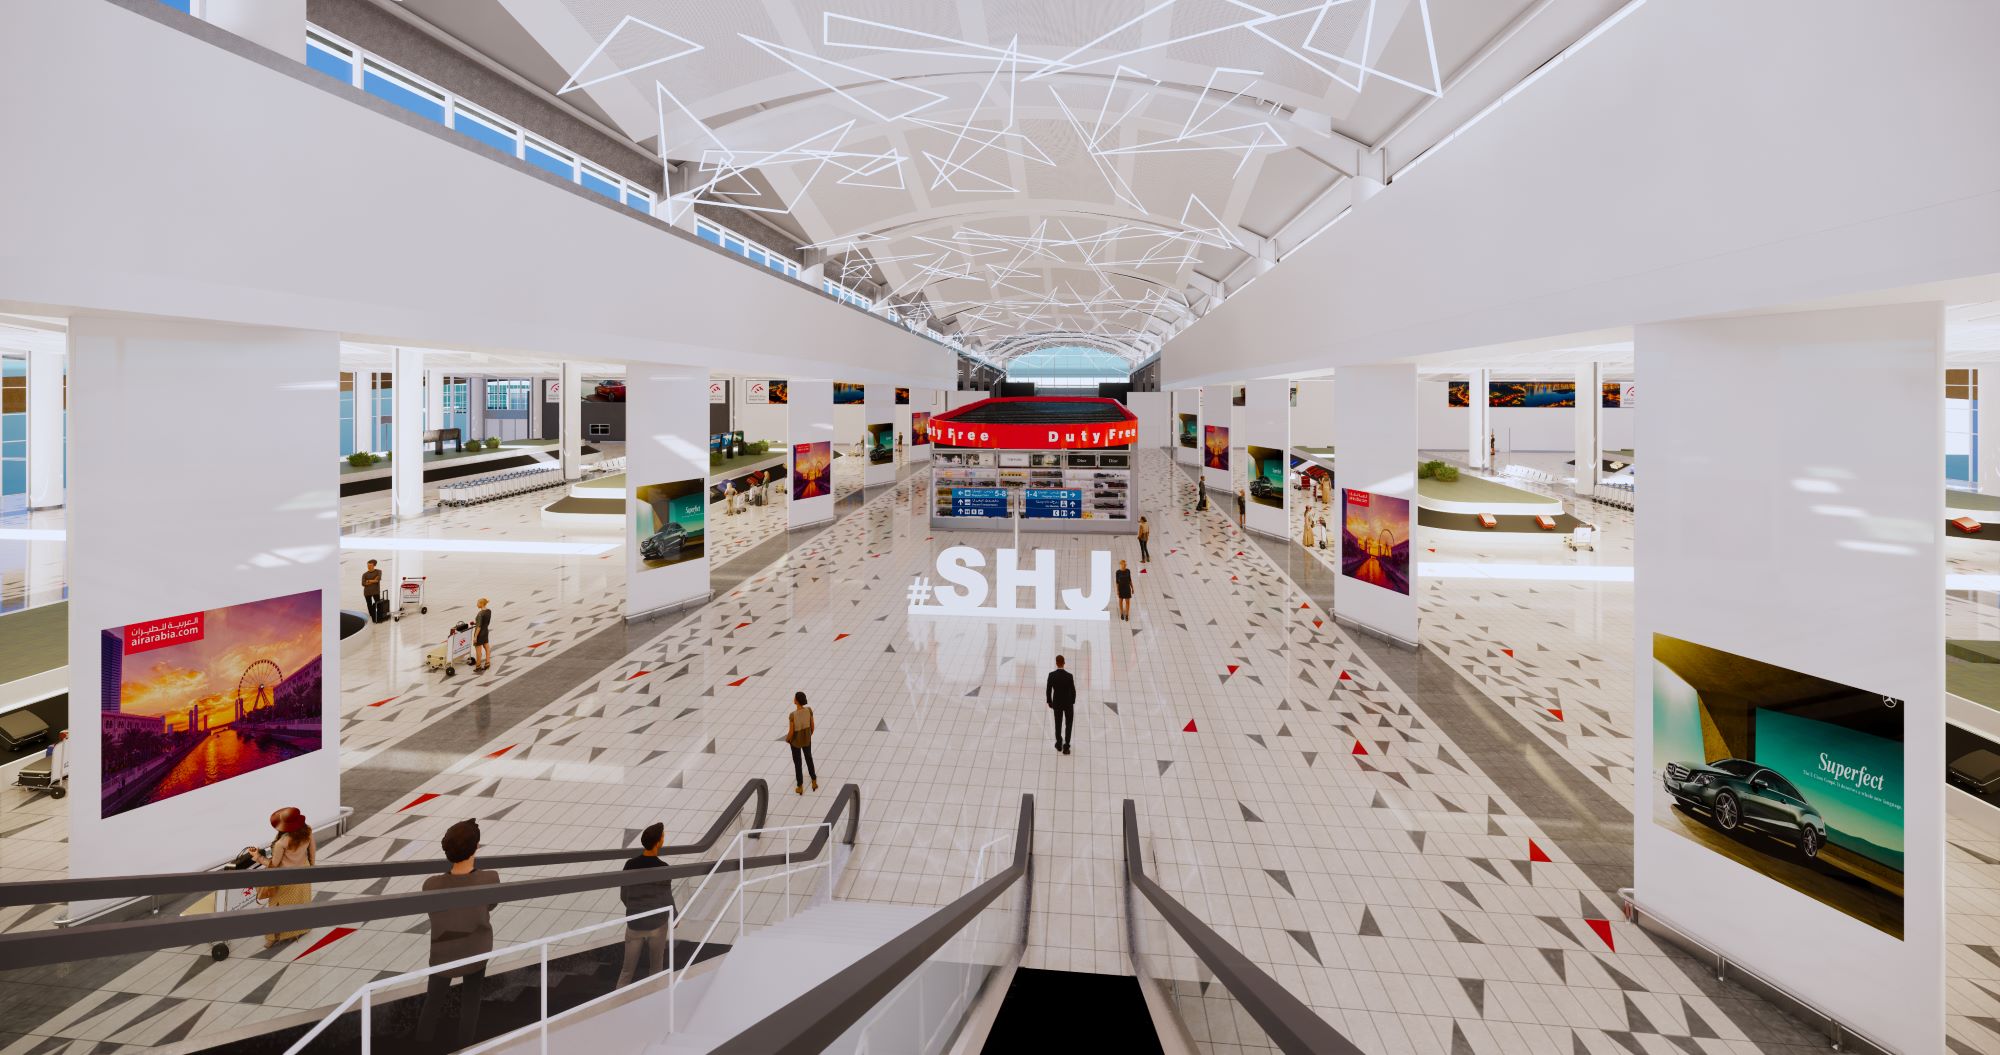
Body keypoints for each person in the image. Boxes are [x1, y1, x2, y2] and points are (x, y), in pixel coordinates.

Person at [419, 819, 499, 1047]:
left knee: (433, 1001)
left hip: (442, 954)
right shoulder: (489, 879)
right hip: (476, 951)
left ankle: (422, 1044)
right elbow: (491, 905)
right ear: (475, 847)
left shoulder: (431, 885)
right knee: (471, 1000)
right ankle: (466, 1046)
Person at [616, 822, 676, 988]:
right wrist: (675, 917)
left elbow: (624, 894)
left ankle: (614, 1005)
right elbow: (666, 898)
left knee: (627, 971)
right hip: (657, 924)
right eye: (663, 836)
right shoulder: (663, 868)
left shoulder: (629, 865)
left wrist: (635, 908)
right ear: (659, 842)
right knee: (656, 967)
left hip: (635, 923)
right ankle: (653, 999)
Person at [249, 807, 316, 947]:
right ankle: (301, 929)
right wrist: (311, 869)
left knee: (277, 907)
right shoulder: (307, 831)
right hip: (303, 874)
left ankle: (272, 938)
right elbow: (312, 852)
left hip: (285, 879)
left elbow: (273, 864)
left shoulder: (282, 843)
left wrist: (258, 857)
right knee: (301, 903)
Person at [786, 692, 817, 795]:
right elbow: (812, 726)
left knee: (798, 763)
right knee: (809, 758)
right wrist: (808, 735)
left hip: (795, 743)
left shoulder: (792, 715)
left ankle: (800, 786)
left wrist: (787, 739)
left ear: (797, 701)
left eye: (794, 697)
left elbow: (791, 732)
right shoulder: (808, 710)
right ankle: (814, 780)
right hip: (807, 740)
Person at [1046, 655, 1076, 755]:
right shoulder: (1069, 676)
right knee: (1069, 724)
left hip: (1057, 704)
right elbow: (1073, 691)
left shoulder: (1051, 675)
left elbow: (1048, 690)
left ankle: (1059, 744)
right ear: (1064, 663)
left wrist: (1050, 702)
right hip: (1068, 704)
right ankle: (1066, 746)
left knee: (1058, 724)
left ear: (1056, 663)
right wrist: (1072, 702)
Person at [473, 598, 492, 672]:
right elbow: (485, 622)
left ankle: (478, 666)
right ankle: (487, 662)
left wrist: (475, 637)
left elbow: (479, 627)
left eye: (478, 603)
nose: (477, 604)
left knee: (478, 650)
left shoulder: (480, 614)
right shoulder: (489, 611)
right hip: (486, 631)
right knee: (486, 647)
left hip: (480, 634)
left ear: (481, 604)